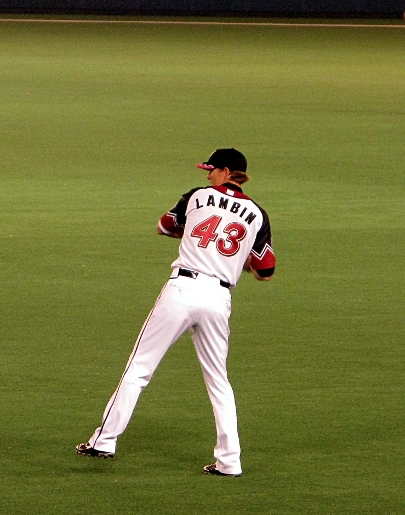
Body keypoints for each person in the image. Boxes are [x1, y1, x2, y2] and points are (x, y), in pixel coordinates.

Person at [76, 148, 276, 477]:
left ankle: (104, 441)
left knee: (139, 367)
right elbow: (266, 270)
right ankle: (230, 462)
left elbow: (165, 227)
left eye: (211, 170)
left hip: (182, 290)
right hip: (218, 298)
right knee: (219, 382)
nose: (207, 175)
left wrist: (200, 240)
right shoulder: (257, 215)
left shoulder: (197, 197)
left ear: (227, 172)